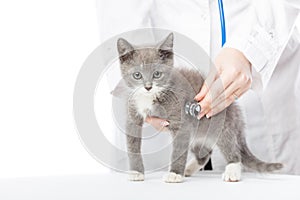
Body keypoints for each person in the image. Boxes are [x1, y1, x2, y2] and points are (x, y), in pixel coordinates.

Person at [97, 0, 300, 174]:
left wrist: (251, 50)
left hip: (259, 102)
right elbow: (120, 10)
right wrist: (139, 80)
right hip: (161, 118)